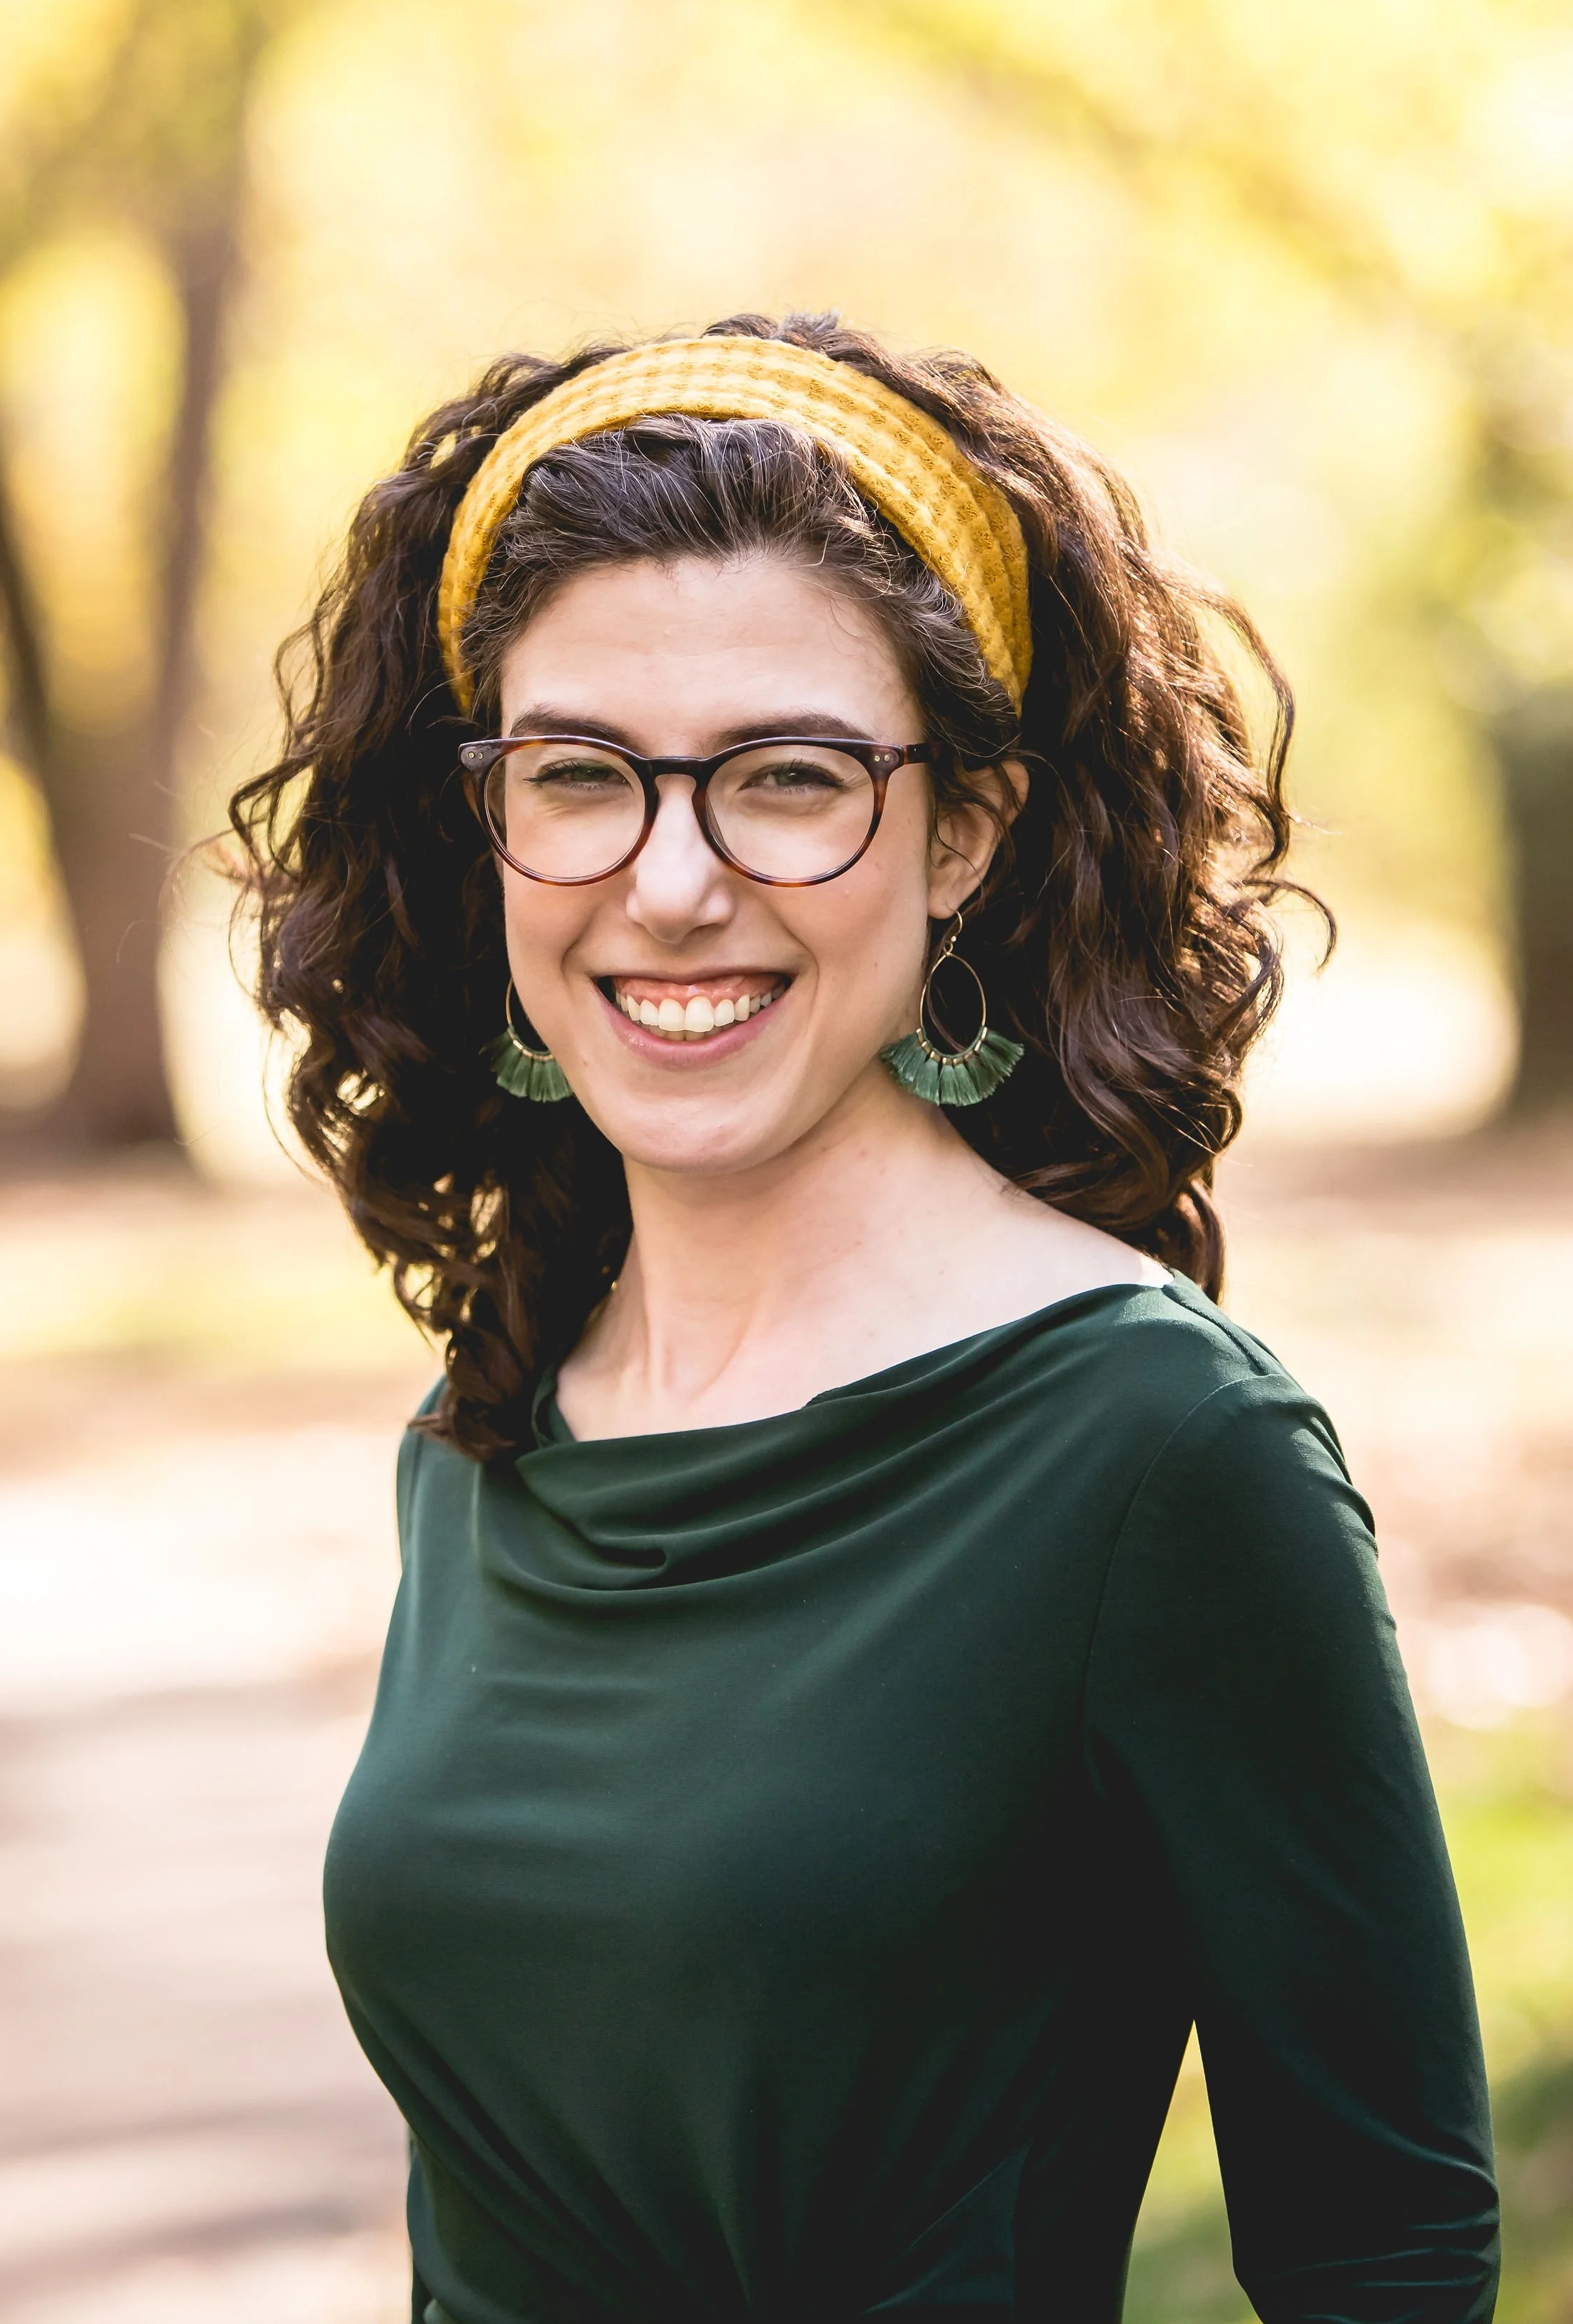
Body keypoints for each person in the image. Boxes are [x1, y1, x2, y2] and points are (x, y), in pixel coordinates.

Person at [230, 313, 1499, 2324]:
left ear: (964, 831)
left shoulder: (1158, 1451)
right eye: (581, 776)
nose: (671, 884)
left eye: (790, 779)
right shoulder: (495, 1425)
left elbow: (1386, 2258)